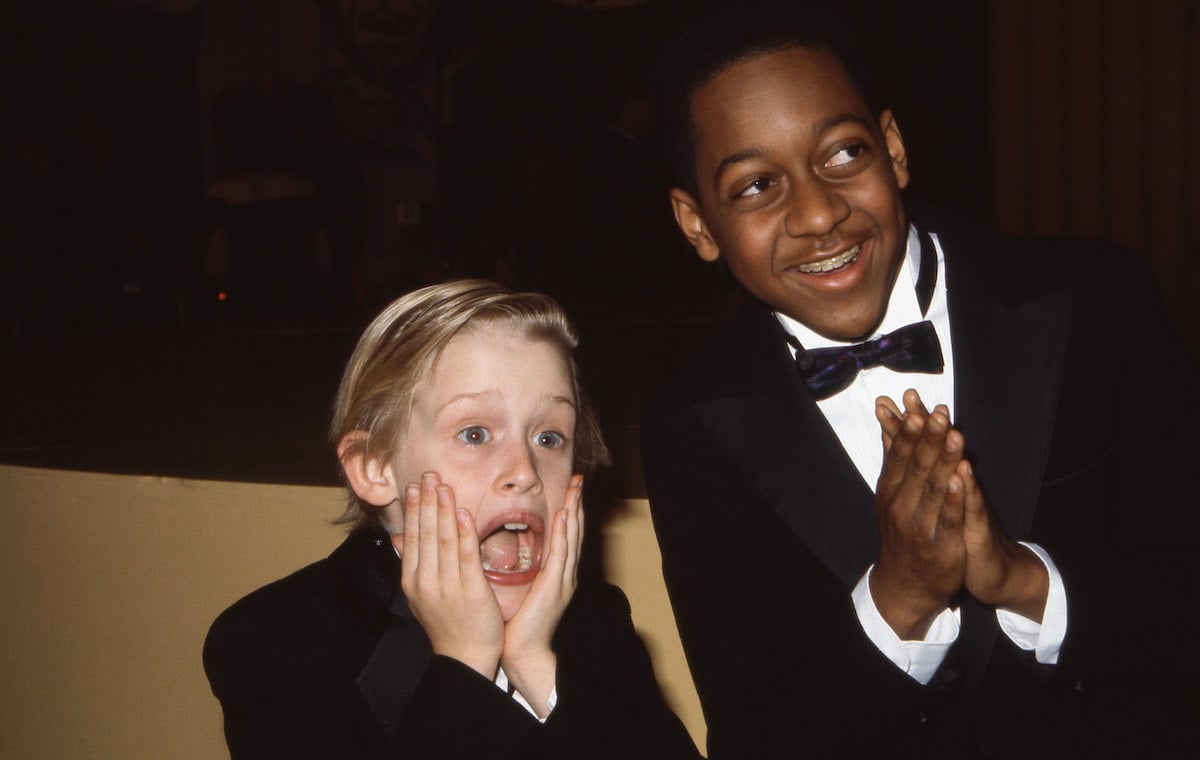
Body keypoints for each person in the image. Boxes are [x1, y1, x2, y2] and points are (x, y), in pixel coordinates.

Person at [640, 3, 1200, 757]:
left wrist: (1024, 580)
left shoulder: (1099, 304)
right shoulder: (691, 429)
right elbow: (758, 740)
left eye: (842, 153)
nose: (818, 213)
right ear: (696, 224)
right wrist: (895, 600)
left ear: (893, 149)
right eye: (756, 187)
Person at [205, 279, 701, 759]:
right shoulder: (276, 643)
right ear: (374, 467)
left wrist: (535, 663)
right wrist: (464, 661)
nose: (524, 473)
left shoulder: (595, 621)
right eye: (475, 434)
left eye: (549, 438)